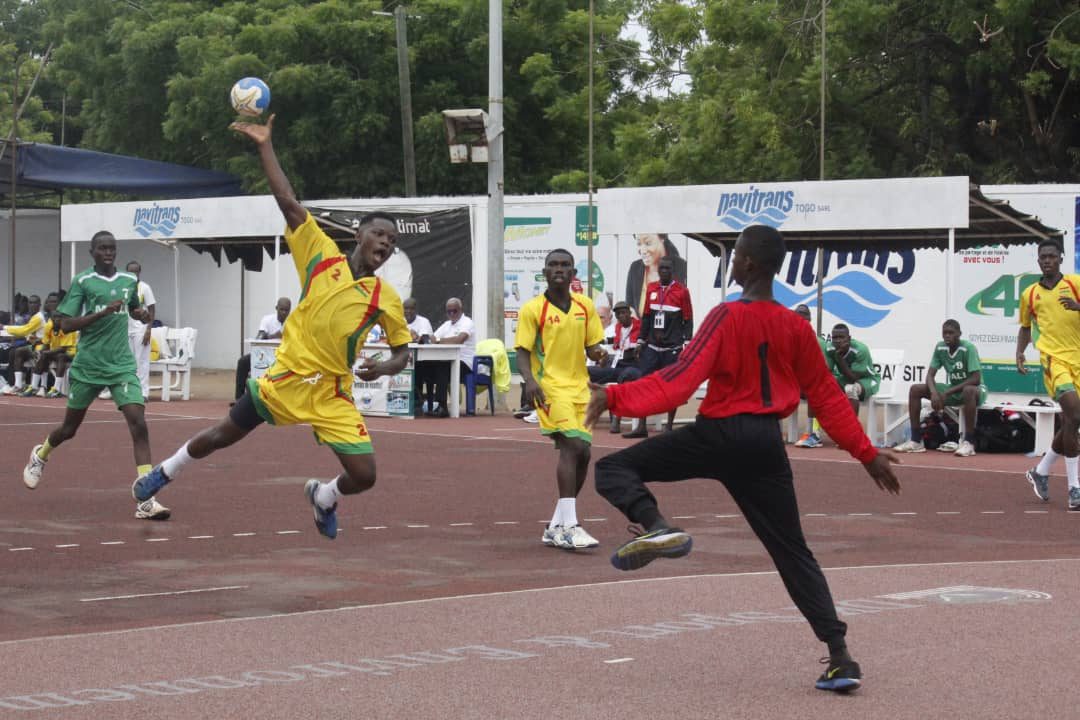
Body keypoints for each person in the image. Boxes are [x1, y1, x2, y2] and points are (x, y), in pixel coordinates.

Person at [585, 224, 901, 693]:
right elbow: (828, 398)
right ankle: (841, 657)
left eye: (735, 257)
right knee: (792, 551)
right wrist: (867, 454)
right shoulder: (796, 327)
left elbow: (679, 381)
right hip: (764, 445)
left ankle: (657, 526)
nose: (731, 263)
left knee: (612, 468)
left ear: (750, 264)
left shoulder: (725, 315)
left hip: (719, 434)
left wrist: (614, 397)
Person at [131, 114, 412, 539]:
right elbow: (289, 202)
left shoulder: (385, 298)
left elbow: (402, 352)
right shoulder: (321, 256)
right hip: (286, 378)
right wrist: (264, 145)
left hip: (332, 393)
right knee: (222, 435)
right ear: (359, 235)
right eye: (379, 235)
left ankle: (324, 497)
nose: (386, 244)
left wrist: (385, 367)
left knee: (365, 474)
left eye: (392, 242)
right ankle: (164, 473)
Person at [21, 232, 169, 520]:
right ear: (92, 252)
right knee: (69, 430)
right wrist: (100, 315)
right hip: (88, 366)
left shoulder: (129, 281)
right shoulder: (83, 281)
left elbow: (132, 307)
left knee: (139, 423)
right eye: (102, 248)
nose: (108, 252)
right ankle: (41, 454)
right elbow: (64, 323)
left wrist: (138, 314)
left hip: (121, 366)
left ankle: (147, 499)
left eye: (112, 248)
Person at [516, 249, 607, 550]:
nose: (559, 269)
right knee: (573, 446)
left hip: (581, 388)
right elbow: (523, 352)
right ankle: (570, 526)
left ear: (572, 273)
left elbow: (592, 345)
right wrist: (529, 381)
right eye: (553, 264)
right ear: (544, 271)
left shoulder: (585, 306)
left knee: (584, 455)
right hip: (551, 387)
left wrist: (599, 353)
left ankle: (555, 525)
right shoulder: (533, 309)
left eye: (565, 265)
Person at [1016, 240, 1080, 511]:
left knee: (1070, 422)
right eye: (1043, 257)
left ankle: (1041, 471)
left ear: (1061, 259)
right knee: (1074, 416)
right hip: (1054, 361)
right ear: (1038, 260)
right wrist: (1020, 353)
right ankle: (1075, 488)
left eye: (1052, 256)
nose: (1047, 261)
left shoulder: (1076, 284)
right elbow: (1025, 327)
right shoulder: (1030, 294)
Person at [893, 320, 986, 457]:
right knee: (915, 389)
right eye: (945, 333)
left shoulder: (968, 348)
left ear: (959, 334)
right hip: (954, 390)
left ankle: (969, 442)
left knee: (968, 390)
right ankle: (916, 440)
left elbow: (975, 379)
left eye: (951, 333)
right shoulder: (940, 347)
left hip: (976, 390)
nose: (947, 336)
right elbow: (930, 375)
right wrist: (934, 393)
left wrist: (946, 393)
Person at [624, 256, 693, 438]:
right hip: (652, 347)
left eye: (667, 269)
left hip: (672, 349)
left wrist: (686, 344)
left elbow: (688, 319)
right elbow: (646, 317)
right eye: (661, 268)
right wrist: (640, 341)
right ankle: (641, 426)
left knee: (672, 387)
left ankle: (668, 427)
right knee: (644, 384)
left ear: (673, 271)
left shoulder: (682, 292)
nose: (663, 272)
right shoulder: (652, 289)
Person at [588, 300, 641, 433]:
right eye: (618, 314)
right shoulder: (618, 327)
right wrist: (601, 342)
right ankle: (577, 412)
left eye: (623, 313)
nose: (621, 316)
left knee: (626, 375)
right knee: (586, 371)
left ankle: (616, 418)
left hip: (633, 365)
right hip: (617, 365)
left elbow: (639, 344)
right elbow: (615, 340)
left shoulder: (639, 326)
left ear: (629, 313)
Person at [234, 297, 292, 400]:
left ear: (290, 310)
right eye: (281, 309)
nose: (284, 312)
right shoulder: (267, 319)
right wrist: (274, 336)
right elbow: (260, 337)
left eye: (286, 310)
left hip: (284, 356)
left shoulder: (293, 322)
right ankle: (239, 399)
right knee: (243, 362)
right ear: (276, 308)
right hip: (265, 353)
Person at [428, 297, 475, 417]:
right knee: (425, 366)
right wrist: (435, 339)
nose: (452, 314)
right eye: (449, 311)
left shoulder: (467, 322)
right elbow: (433, 338)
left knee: (442, 366)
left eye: (454, 311)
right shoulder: (446, 325)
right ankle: (421, 403)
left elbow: (459, 340)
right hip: (448, 361)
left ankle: (442, 406)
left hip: (465, 363)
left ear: (461, 309)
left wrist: (439, 340)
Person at [625, 233, 688, 317]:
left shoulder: (681, 267)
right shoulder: (635, 268)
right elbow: (630, 306)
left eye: (648, 243)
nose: (642, 250)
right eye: (639, 244)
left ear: (662, 239)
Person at [793, 303, 829, 448]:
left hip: (816, 382)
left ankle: (813, 433)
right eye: (797, 318)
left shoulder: (817, 342)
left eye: (804, 318)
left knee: (813, 389)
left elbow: (824, 369)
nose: (800, 322)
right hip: (795, 383)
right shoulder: (789, 338)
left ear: (809, 320)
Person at [825, 324, 880, 417]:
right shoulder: (830, 348)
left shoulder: (860, 350)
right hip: (845, 379)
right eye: (835, 338)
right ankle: (817, 429)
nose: (838, 341)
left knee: (850, 389)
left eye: (842, 337)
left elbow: (853, 378)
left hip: (867, 380)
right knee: (824, 385)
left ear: (849, 338)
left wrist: (839, 358)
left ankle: (852, 428)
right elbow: (828, 370)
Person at [2, 294, 46, 395]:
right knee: (15, 352)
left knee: (17, 351)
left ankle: (20, 385)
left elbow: (24, 330)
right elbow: (26, 329)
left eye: (34, 302)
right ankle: (18, 385)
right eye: (30, 302)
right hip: (35, 346)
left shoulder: (38, 317)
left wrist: (4, 327)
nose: (32, 305)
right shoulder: (34, 317)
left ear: (39, 304)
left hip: (42, 348)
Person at [125, 261, 156, 400]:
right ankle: (130, 390)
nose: (133, 274)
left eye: (136, 271)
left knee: (142, 361)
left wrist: (149, 329)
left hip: (141, 330)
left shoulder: (144, 288)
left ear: (139, 272)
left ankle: (143, 392)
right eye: (130, 271)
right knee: (129, 362)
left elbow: (152, 309)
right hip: (126, 329)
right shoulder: (123, 288)